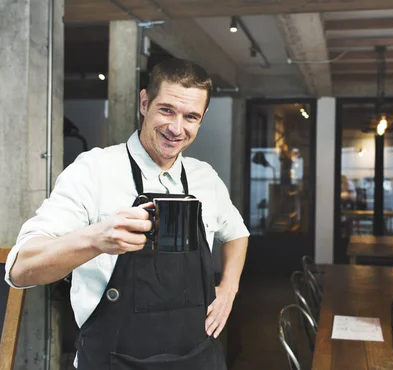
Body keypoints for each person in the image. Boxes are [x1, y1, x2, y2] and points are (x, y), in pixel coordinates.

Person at [4, 58, 249, 369]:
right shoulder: (94, 170)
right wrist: (95, 239)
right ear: (145, 102)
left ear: (202, 118)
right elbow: (20, 269)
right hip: (112, 360)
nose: (176, 128)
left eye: (191, 116)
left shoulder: (205, 177)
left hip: (198, 358)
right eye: (167, 110)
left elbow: (237, 232)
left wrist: (229, 288)